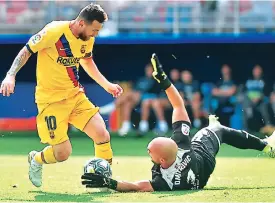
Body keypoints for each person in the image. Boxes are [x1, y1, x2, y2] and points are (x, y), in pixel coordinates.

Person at [81, 54, 275, 192]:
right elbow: (178, 105)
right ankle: (266, 147)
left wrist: (110, 183)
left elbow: (136, 186)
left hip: (199, 176)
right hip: (202, 158)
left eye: (150, 150)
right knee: (217, 129)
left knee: (214, 127)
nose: (148, 151)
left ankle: (258, 143)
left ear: (163, 161)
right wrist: (164, 81)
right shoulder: (182, 143)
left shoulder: (164, 182)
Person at [0, 3, 123, 188]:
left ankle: (103, 180)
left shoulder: (87, 37)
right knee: (63, 153)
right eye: (94, 29)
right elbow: (27, 50)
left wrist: (107, 85)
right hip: (50, 101)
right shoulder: (54, 31)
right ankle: (36, 159)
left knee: (102, 134)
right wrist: (10, 75)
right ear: (82, 23)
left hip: (75, 96)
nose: (96, 34)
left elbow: (87, 61)